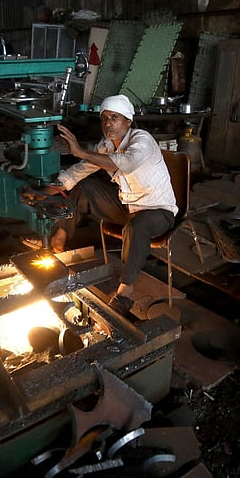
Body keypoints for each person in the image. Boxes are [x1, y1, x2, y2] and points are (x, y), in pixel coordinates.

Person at [49, 94, 178, 314]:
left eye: (115, 117)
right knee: (86, 188)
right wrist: (48, 190)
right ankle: (58, 240)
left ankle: (126, 290)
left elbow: (126, 164)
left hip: (158, 212)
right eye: (105, 118)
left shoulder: (142, 139)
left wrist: (80, 151)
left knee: (136, 227)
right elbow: (80, 171)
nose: (108, 123)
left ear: (128, 121)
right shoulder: (106, 145)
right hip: (128, 208)